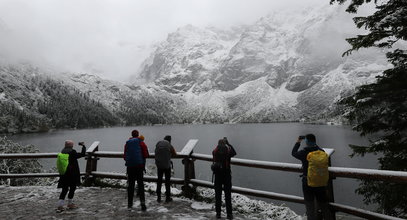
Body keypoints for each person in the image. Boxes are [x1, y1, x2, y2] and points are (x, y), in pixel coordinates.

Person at [291, 134, 332, 220]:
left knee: (310, 207)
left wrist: (298, 142)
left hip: (308, 183)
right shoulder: (321, 151)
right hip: (320, 183)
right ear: (315, 141)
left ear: (306, 142)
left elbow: (293, 153)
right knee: (324, 206)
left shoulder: (304, 153)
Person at [56, 140, 86, 212]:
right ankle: (70, 204)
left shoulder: (62, 151)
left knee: (65, 189)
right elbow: (82, 154)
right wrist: (83, 146)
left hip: (64, 174)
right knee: (72, 188)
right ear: (71, 146)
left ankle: (60, 205)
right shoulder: (72, 152)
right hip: (72, 174)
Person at [124, 130, 149, 211]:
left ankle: (130, 204)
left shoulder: (127, 143)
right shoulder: (141, 142)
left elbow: (125, 156)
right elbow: (146, 154)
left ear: (131, 135)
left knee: (131, 185)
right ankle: (142, 204)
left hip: (130, 167)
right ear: (138, 135)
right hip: (139, 166)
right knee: (140, 185)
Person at [212, 138, 236, 219]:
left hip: (218, 176)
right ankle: (229, 214)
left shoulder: (215, 151)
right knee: (227, 195)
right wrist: (228, 144)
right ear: (225, 143)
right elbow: (234, 152)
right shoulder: (228, 151)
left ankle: (218, 213)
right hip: (226, 175)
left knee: (218, 195)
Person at [155, 135, 177, 203]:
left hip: (159, 165)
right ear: (170, 140)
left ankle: (158, 197)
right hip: (167, 166)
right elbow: (175, 154)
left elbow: (156, 151)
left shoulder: (158, 143)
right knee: (167, 182)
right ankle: (168, 197)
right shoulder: (169, 145)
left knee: (159, 181)